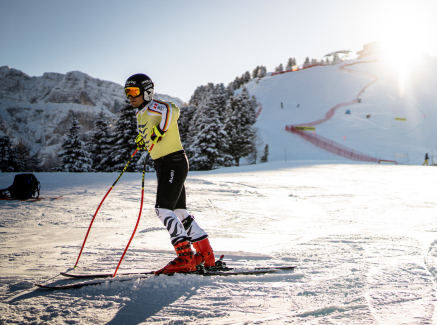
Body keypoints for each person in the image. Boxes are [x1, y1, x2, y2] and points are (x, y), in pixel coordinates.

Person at [124, 74, 215, 275]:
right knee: (180, 211)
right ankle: (206, 255)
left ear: (147, 92)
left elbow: (171, 110)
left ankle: (185, 258)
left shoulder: (153, 106)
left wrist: (160, 131)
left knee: (163, 210)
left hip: (172, 162)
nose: (130, 96)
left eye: (134, 92)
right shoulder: (140, 113)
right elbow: (150, 130)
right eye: (127, 92)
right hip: (165, 164)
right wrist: (144, 140)